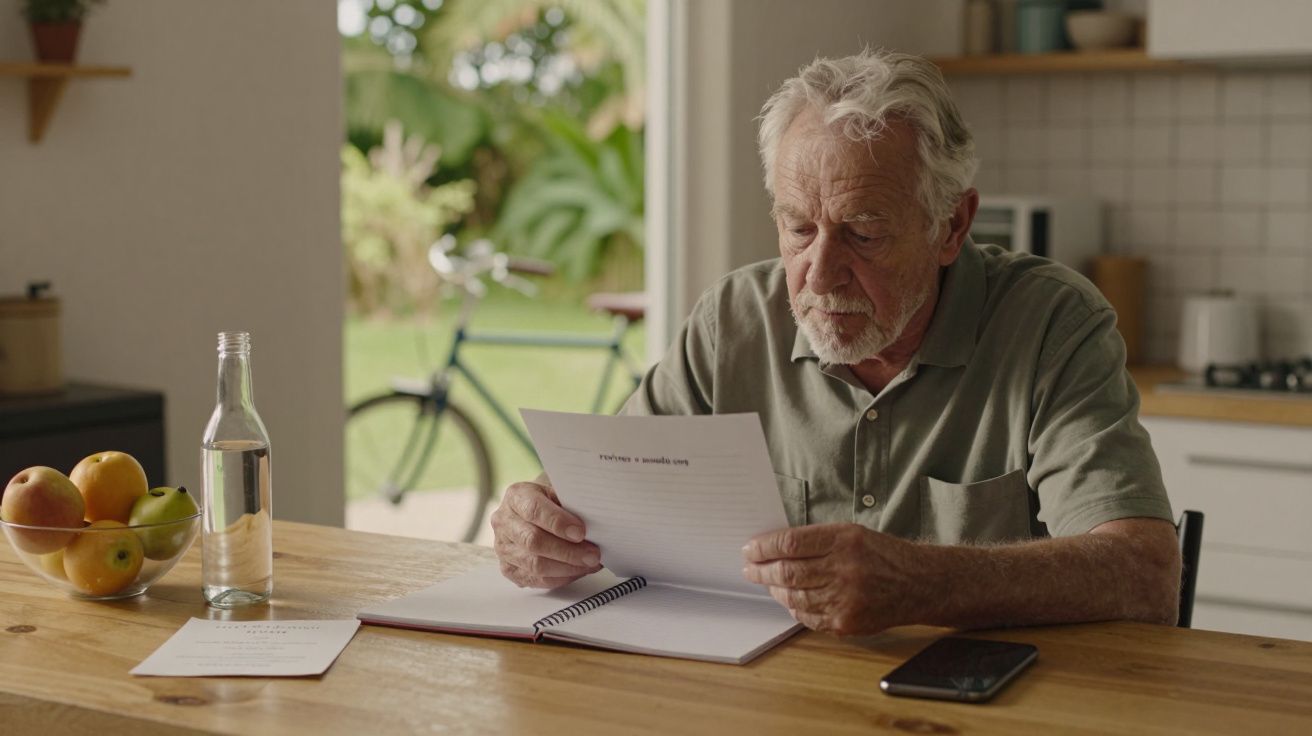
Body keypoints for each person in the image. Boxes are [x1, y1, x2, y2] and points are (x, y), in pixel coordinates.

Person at [490, 49, 1181, 636]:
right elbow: (612, 494)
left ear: (951, 226)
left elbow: (1144, 573)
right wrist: (541, 522)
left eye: (864, 233)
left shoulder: (1053, 324)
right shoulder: (733, 319)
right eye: (798, 228)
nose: (819, 274)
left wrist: (924, 582)